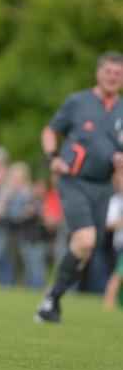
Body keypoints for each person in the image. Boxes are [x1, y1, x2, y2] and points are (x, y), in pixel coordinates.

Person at [34, 51, 123, 322]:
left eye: (118, 74)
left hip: (103, 187)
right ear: (99, 72)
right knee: (85, 239)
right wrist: (53, 158)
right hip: (73, 180)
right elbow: (50, 131)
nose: (112, 77)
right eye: (108, 71)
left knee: (84, 251)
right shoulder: (78, 101)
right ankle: (52, 298)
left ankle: (52, 298)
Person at [104, 170, 123, 311]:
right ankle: (108, 305)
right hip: (120, 244)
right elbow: (109, 224)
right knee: (117, 275)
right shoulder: (115, 201)